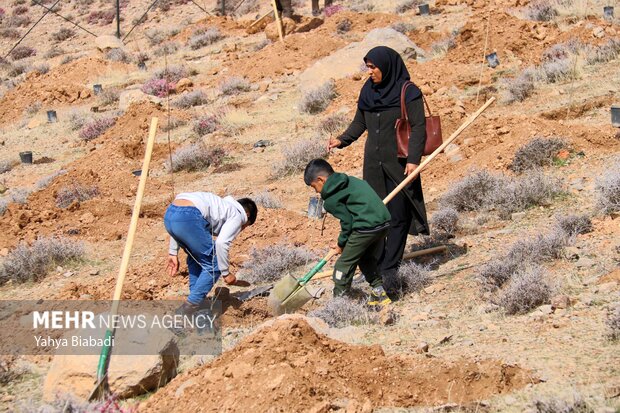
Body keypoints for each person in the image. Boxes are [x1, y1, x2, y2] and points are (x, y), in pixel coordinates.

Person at [328, 46, 429, 280]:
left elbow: (419, 128)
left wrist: (414, 160)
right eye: (368, 67)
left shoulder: (408, 92)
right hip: (373, 164)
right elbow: (359, 123)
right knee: (376, 216)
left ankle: (389, 269)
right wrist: (341, 140)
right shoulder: (368, 91)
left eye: (373, 67)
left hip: (400, 164)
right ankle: (379, 262)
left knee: (398, 216)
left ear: (387, 66)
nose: (370, 72)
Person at [304, 158, 392, 306]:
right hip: (384, 223)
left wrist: (341, 244)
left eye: (315, 187)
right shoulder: (351, 181)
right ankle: (379, 293)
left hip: (365, 228)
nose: (317, 192)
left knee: (342, 266)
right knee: (365, 258)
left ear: (321, 179)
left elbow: (347, 223)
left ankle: (339, 305)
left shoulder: (331, 199)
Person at [164, 192, 258, 314]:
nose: (241, 229)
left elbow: (180, 217)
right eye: (245, 226)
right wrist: (226, 273)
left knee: (197, 259)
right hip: (189, 216)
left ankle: (199, 308)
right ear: (247, 215)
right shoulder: (238, 214)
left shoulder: (222, 207)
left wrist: (173, 252)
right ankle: (184, 312)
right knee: (215, 263)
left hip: (171, 213)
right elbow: (221, 243)